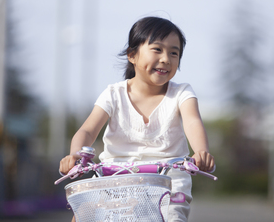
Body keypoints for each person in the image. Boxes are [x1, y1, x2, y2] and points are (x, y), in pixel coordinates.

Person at [59, 16, 214, 221]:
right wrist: (75, 156)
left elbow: (193, 121)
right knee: (83, 216)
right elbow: (88, 130)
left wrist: (201, 152)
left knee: (172, 218)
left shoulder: (182, 93)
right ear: (132, 55)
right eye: (157, 49)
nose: (166, 58)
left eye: (174, 53)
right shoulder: (114, 93)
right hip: (113, 181)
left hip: (167, 183)